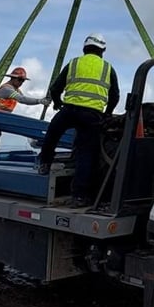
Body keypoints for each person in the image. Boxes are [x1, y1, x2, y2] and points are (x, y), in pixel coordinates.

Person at [37, 34, 120, 208]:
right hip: (92, 115)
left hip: (69, 110)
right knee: (86, 154)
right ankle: (79, 197)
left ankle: (44, 163)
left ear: (84, 48)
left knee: (52, 134)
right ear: (103, 50)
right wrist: (107, 114)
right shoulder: (108, 68)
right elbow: (115, 96)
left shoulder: (74, 63)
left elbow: (55, 88)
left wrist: (58, 103)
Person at [0, 67, 50, 158]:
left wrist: (40, 101)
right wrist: (39, 101)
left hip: (1, 117)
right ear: (12, 78)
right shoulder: (6, 89)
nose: (21, 82)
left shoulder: (16, 90)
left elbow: (25, 100)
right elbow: (22, 99)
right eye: (19, 80)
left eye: (23, 81)